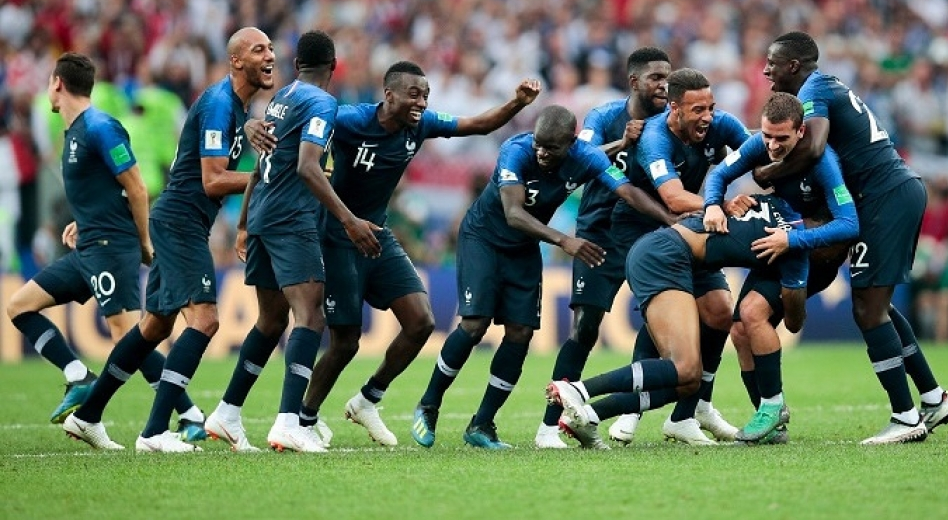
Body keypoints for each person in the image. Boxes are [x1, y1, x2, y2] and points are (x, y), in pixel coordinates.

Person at [246, 62, 542, 446]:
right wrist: (251, 125)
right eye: (414, 94)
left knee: (420, 321)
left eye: (426, 96)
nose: (422, 102)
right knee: (345, 341)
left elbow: (479, 124)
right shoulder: (350, 119)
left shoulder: (421, 125)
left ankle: (368, 399)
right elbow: (298, 125)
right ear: (389, 95)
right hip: (337, 236)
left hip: (377, 236)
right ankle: (304, 419)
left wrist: (517, 103)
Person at [411, 105, 676, 449]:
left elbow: (626, 190)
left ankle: (482, 424)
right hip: (484, 239)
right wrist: (565, 240)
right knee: (475, 324)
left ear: (570, 144)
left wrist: (670, 219)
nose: (542, 152)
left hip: (524, 248)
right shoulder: (516, 151)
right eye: (539, 144)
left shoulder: (585, 156)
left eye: (551, 147)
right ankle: (428, 405)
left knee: (520, 332)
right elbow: (514, 213)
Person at [63, 27, 276, 452]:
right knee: (205, 320)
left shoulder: (235, 108)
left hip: (183, 221)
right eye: (259, 50)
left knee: (153, 326)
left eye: (271, 48)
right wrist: (270, 175)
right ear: (236, 61)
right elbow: (213, 180)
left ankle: (86, 416)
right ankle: (155, 432)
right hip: (180, 222)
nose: (270, 55)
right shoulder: (219, 104)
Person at [756, 31, 948, 444]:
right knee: (879, 306)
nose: (766, 70)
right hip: (891, 193)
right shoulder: (825, 86)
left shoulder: (814, 89)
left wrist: (768, 173)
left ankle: (905, 417)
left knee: (868, 309)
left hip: (884, 198)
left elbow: (813, 147)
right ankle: (933, 398)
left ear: (793, 65)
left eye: (772, 63)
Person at [3, 53, 204, 443]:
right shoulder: (75, 131)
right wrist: (85, 220)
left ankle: (190, 415)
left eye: (48, 82)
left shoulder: (100, 127)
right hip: (89, 248)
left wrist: (144, 242)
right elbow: (104, 188)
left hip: (112, 248)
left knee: (131, 340)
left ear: (58, 84)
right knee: (19, 306)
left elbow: (136, 186)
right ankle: (77, 375)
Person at [202, 31, 380, 453]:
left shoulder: (281, 97)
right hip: (290, 219)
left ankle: (227, 412)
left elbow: (265, 161)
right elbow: (307, 166)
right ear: (333, 66)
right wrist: (350, 221)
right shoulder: (322, 103)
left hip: (263, 215)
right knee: (310, 316)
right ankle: (288, 423)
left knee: (270, 321)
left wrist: (244, 222)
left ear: (297, 64)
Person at [547, 194, 809, 448]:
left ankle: (592, 416)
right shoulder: (795, 246)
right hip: (664, 254)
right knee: (684, 369)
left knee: (691, 378)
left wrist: (717, 202)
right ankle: (579, 390)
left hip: (681, 257)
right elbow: (794, 323)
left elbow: (729, 173)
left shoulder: (768, 202)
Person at [703, 91, 859, 443]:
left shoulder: (823, 162)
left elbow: (849, 224)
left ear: (801, 132)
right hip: (777, 248)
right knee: (739, 330)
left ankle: (772, 408)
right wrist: (713, 204)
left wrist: (794, 238)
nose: (772, 146)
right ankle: (770, 417)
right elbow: (719, 174)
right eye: (767, 136)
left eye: (781, 139)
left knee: (756, 314)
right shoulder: (760, 144)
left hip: (814, 256)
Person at [607, 68, 752, 446]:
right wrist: (719, 204)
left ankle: (693, 409)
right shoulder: (655, 137)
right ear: (674, 109)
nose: (708, 117)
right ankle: (631, 409)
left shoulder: (721, 125)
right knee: (662, 319)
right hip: (643, 231)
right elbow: (672, 197)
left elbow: (760, 154)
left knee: (719, 311)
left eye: (711, 107)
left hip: (689, 227)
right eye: (698, 109)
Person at [535, 46, 671, 449]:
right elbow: (578, 157)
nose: (664, 85)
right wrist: (622, 143)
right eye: (656, 78)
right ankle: (549, 426)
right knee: (585, 327)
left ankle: (630, 415)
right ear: (634, 81)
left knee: (661, 321)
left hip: (649, 235)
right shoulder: (604, 116)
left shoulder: (671, 121)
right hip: (600, 232)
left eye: (668, 77)